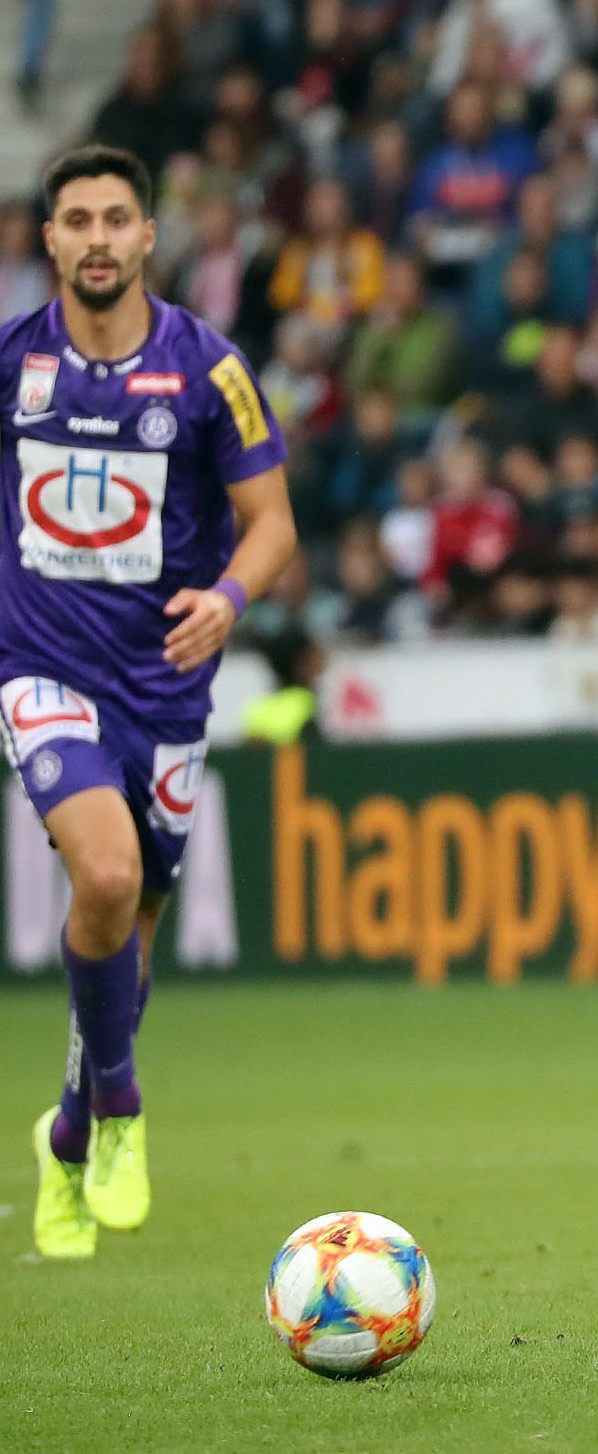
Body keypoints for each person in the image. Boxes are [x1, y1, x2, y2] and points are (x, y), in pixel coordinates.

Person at [11, 146, 295, 1259]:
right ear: (49, 239)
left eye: (113, 218)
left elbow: (270, 524)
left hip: (167, 684)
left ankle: (69, 1132)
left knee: (128, 949)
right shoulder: (10, 365)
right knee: (108, 873)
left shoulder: (209, 369)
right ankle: (124, 1110)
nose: (94, 236)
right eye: (73, 217)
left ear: (144, 239)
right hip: (40, 667)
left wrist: (228, 598)